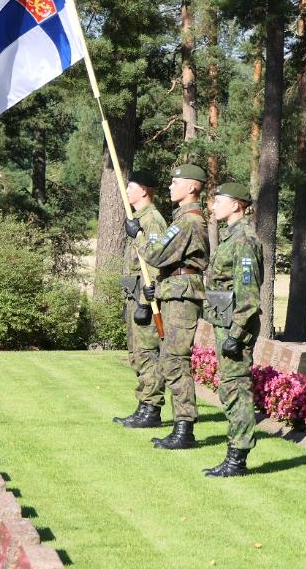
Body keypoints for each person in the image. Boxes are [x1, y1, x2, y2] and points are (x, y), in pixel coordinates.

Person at [125, 163, 210, 450]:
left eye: (177, 183)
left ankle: (184, 428)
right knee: (171, 359)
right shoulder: (181, 219)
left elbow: (156, 254)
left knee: (176, 361)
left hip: (182, 295)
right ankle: (180, 426)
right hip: (173, 290)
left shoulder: (187, 222)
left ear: (191, 188)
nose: (170, 187)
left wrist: (137, 234)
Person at [202, 181, 263, 477]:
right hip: (225, 322)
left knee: (236, 389)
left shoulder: (244, 241)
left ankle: (237, 458)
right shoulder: (232, 237)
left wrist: (236, 335)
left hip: (235, 327)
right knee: (229, 387)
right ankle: (234, 453)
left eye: (219, 201)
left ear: (237, 204)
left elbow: (249, 295)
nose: (213, 206)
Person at [113, 170, 168, 429]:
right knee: (137, 355)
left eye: (131, 186)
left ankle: (152, 409)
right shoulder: (137, 219)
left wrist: (147, 303)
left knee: (147, 354)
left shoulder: (152, 220)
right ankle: (143, 404)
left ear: (144, 190)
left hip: (146, 296)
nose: (126, 191)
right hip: (135, 294)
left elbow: (155, 262)